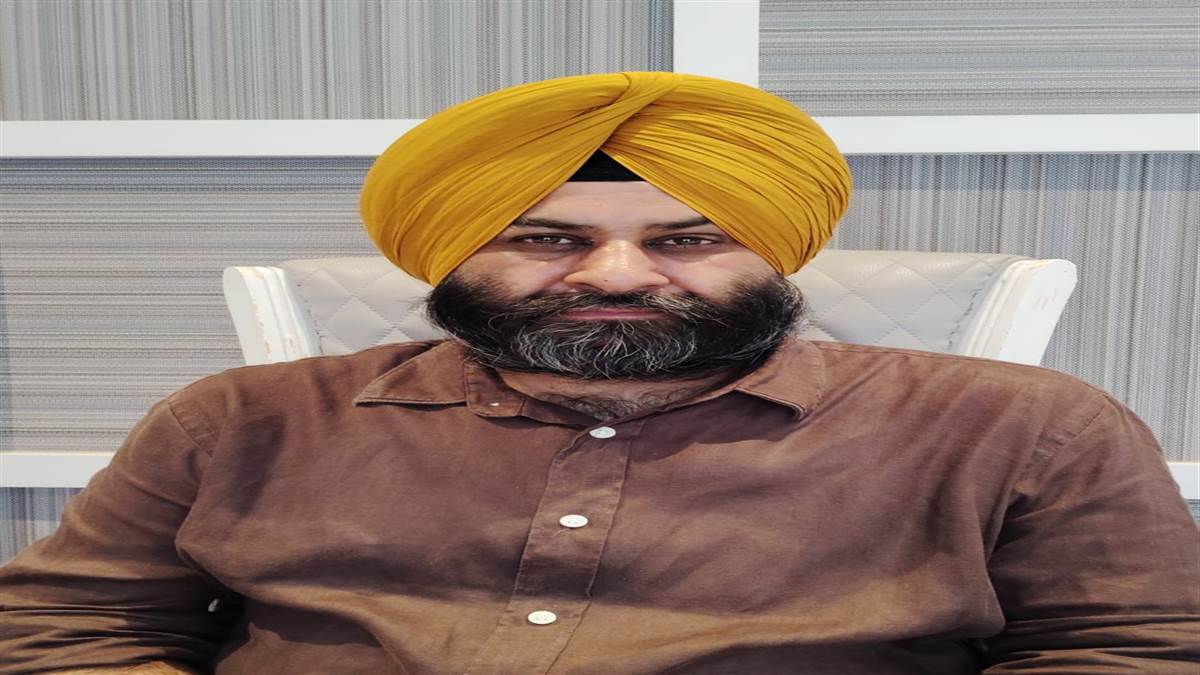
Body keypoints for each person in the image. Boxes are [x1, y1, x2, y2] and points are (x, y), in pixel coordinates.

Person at [0, 72, 1196, 675]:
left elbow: (1136, 650)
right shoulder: (239, 421)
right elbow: (65, 627)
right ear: (450, 251)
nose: (616, 273)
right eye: (544, 238)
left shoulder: (1023, 429)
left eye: (688, 240)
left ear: (774, 252)